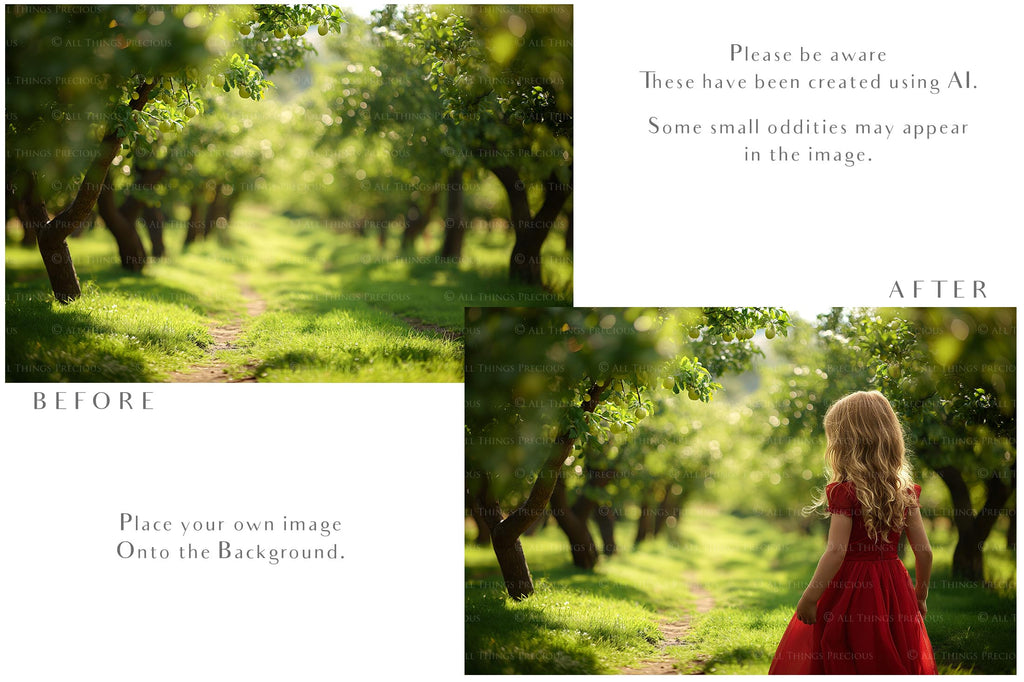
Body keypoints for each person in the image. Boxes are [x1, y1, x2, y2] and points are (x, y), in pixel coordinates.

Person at [769, 390, 937, 674]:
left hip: (851, 588)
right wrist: (919, 595)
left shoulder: (844, 492)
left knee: (845, 649)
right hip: (894, 588)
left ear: (846, 443)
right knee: (891, 652)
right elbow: (925, 553)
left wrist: (809, 598)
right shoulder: (906, 492)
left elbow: (836, 552)